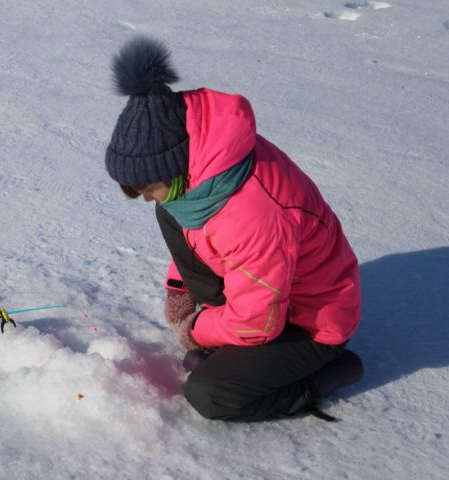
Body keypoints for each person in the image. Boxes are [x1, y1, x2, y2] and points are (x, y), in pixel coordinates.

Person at [104, 36, 364, 421]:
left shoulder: (253, 215)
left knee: (211, 394)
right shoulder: (203, 166)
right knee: (169, 210)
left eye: (147, 187)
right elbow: (197, 233)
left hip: (309, 322)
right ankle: (232, 342)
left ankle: (329, 372)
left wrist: (197, 329)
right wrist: (180, 288)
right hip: (270, 290)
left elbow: (258, 324)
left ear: (174, 167)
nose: (144, 198)